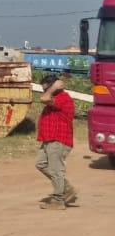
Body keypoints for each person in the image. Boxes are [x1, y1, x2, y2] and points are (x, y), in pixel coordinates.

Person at [35, 73, 78, 209]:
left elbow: (43, 98)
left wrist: (51, 89)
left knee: (56, 170)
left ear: (54, 86)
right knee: (41, 164)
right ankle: (66, 188)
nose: (44, 91)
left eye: (46, 88)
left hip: (59, 140)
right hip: (49, 139)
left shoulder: (63, 98)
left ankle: (58, 200)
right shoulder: (55, 97)